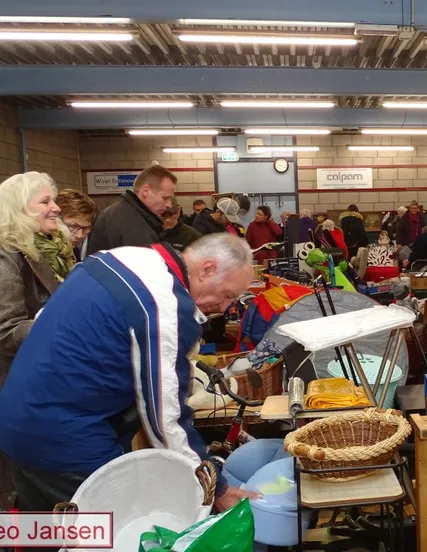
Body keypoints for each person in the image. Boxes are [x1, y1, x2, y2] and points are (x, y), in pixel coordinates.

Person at [0, 234, 260, 517]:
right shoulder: (166, 304)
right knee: (115, 532)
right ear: (208, 269)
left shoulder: (119, 259)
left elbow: (44, 322)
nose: (223, 308)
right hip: (67, 440)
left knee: (43, 535)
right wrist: (215, 488)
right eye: (227, 295)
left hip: (16, 421)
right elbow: (165, 420)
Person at [0, 172, 63, 510]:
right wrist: (57, 321)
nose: (55, 208)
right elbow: (5, 332)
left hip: (27, 391)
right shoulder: (4, 257)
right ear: (17, 209)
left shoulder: (28, 250)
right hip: (11, 393)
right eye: (45, 202)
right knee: (16, 496)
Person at [86, 164, 176, 255]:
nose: (169, 205)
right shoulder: (132, 224)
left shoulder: (120, 213)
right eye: (165, 198)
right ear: (146, 191)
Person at [55, 188, 97, 262]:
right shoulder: (44, 254)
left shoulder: (74, 251)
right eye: (73, 226)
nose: (79, 235)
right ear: (55, 219)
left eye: (86, 228)